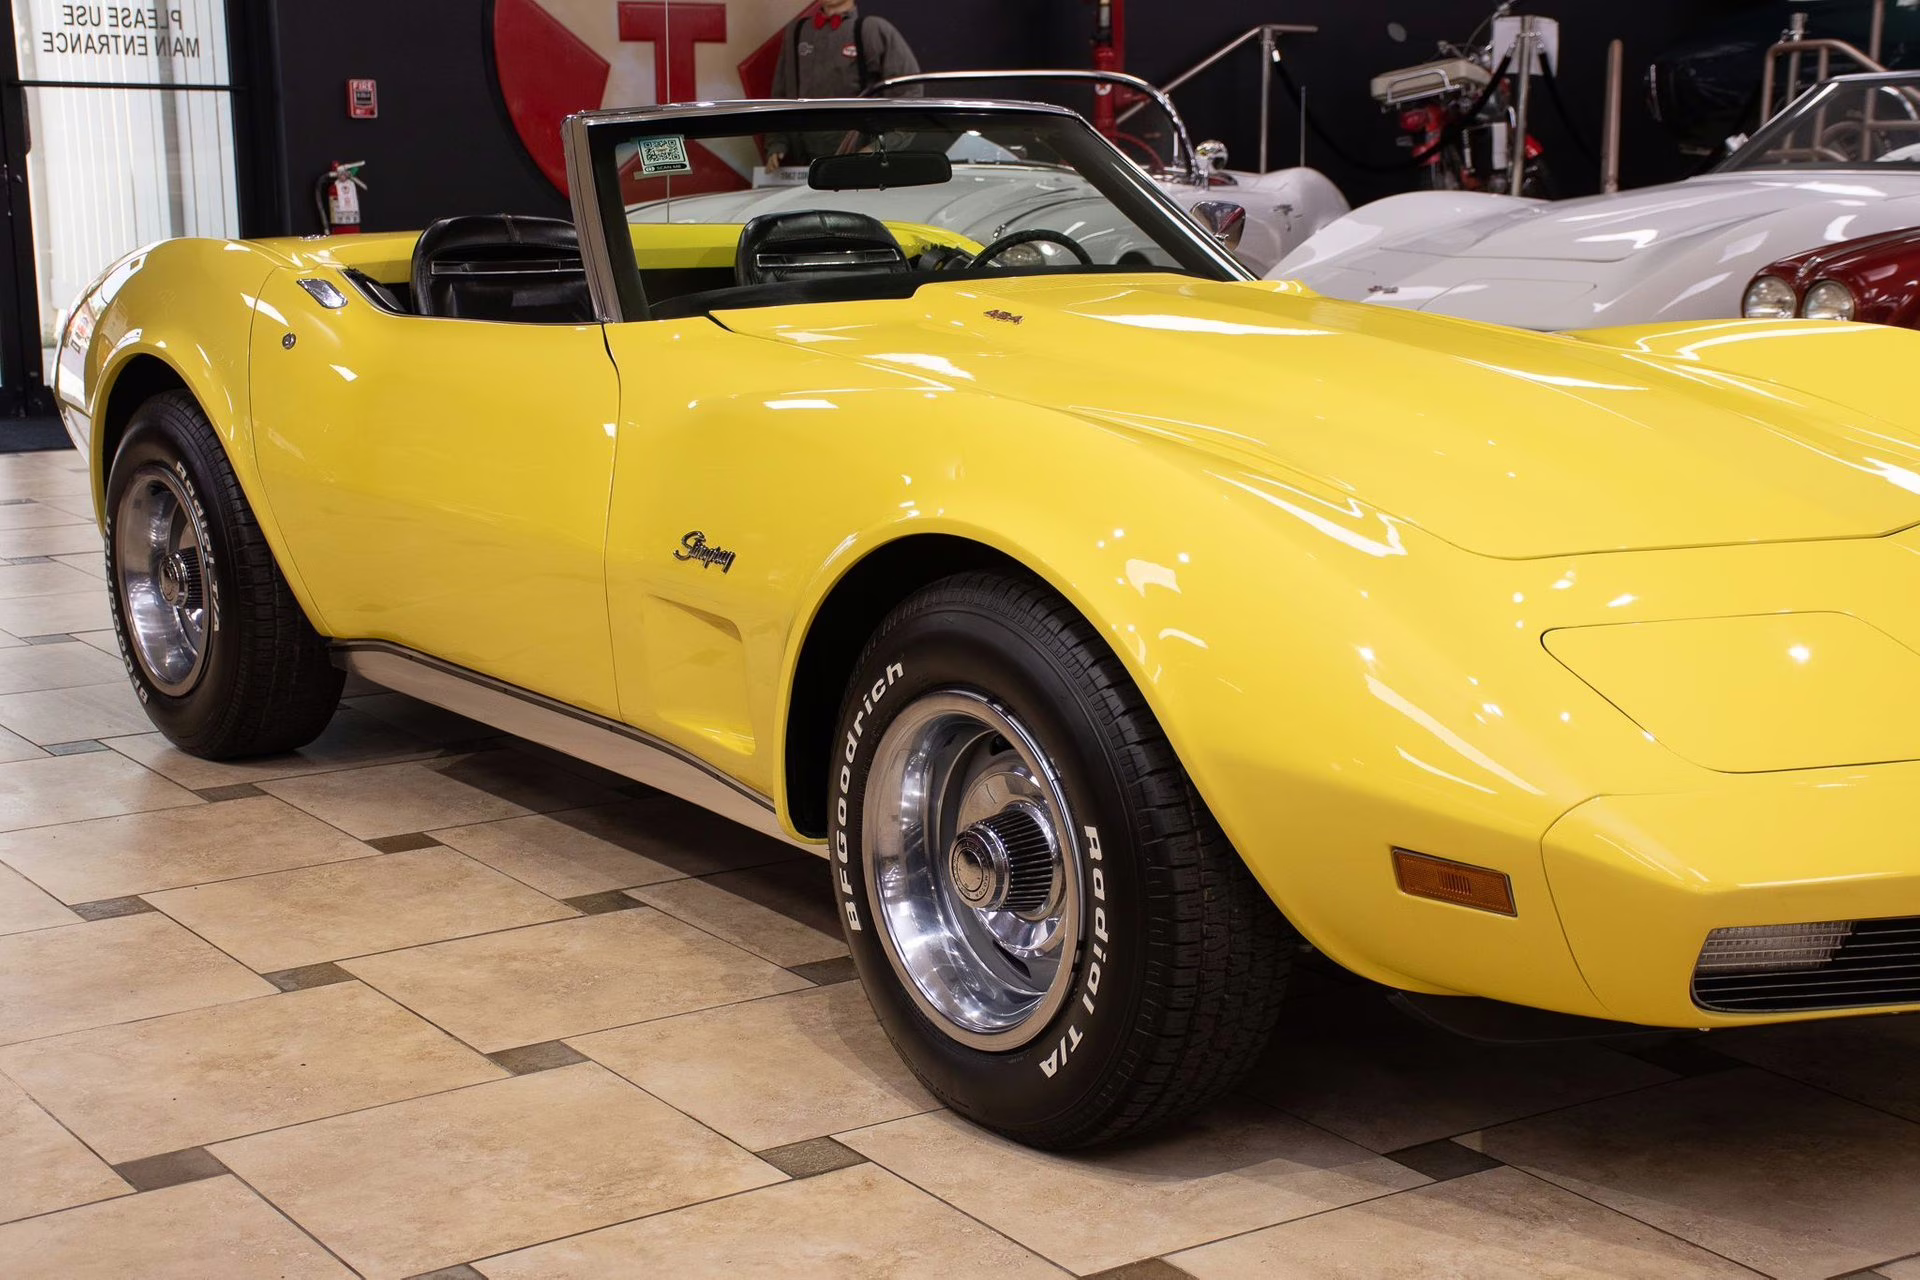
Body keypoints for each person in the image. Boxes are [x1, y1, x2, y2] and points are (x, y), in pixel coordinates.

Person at [764, 1, 921, 170]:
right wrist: (777, 142)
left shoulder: (872, 30)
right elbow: (781, 93)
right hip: (805, 163)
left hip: (859, 163)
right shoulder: (798, 32)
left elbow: (909, 95)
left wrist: (879, 147)